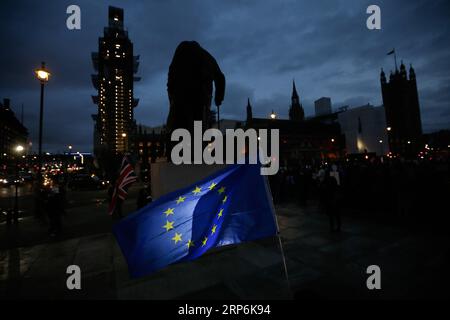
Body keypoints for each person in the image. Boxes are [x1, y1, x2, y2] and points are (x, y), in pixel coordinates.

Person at [166, 41, 226, 158]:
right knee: (198, 128)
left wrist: (172, 98)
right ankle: (196, 154)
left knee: (178, 126)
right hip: (200, 98)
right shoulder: (207, 57)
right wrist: (219, 98)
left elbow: (170, 80)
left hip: (181, 98)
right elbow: (220, 78)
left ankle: (175, 154)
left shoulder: (179, 55)